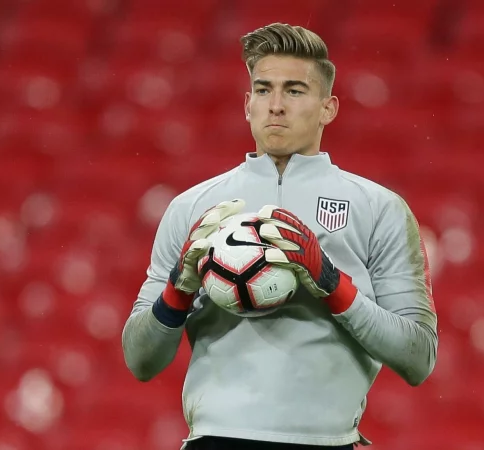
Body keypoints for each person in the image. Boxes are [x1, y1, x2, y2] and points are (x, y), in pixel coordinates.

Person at [122, 23, 438, 450]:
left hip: (328, 442)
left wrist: (332, 286)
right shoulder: (191, 208)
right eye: (263, 90)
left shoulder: (379, 208)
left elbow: (418, 358)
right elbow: (139, 361)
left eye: (294, 91)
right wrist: (177, 292)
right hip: (216, 441)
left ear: (328, 108)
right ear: (246, 104)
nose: (276, 106)